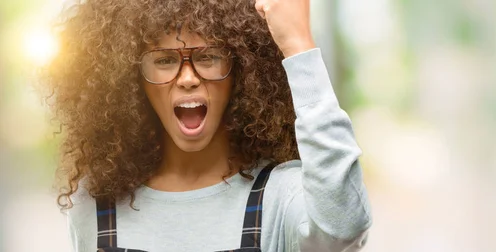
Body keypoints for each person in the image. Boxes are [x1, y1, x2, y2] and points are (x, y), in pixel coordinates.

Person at [43, 0, 371, 251]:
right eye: (164, 60)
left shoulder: (279, 198)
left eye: (208, 57)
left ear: (241, 70)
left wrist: (298, 46)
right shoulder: (96, 207)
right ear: (131, 81)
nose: (188, 78)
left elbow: (344, 227)